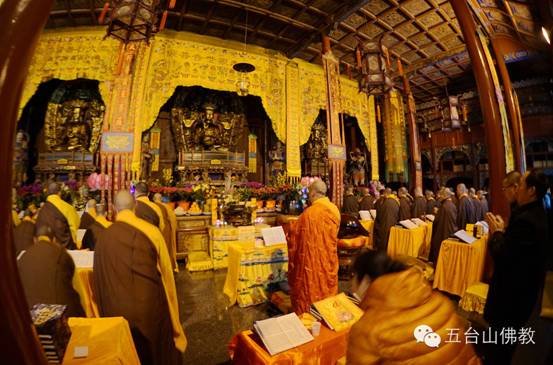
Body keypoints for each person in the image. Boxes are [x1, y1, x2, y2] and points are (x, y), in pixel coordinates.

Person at [94, 191, 186, 365]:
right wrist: (172, 314)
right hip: (149, 310)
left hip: (115, 312)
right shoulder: (151, 231)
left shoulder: (104, 237)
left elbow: (99, 279)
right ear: (135, 207)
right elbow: (166, 274)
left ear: (113, 208)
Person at [347, 251, 480, 365]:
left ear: (366, 281)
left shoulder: (367, 329)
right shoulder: (442, 303)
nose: (351, 285)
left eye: (352, 277)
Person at [484, 169, 549, 365]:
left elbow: (504, 256)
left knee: (501, 346)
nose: (515, 189)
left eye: (520, 185)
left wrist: (496, 234)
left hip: (512, 297)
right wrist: (504, 233)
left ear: (531, 191)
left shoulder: (527, 221)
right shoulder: (533, 213)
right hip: (522, 294)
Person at [287, 180, 340, 314]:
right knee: (327, 284)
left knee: (310, 285)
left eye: (310, 193)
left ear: (313, 193)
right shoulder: (334, 209)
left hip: (311, 261)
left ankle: (309, 312)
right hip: (328, 258)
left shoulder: (309, 214)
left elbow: (295, 234)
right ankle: (327, 312)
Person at [17, 226, 84, 317]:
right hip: (62, 317)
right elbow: (78, 288)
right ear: (54, 240)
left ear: (34, 240)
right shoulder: (62, 254)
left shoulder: (23, 257)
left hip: (28, 316)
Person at [36, 182, 80, 249]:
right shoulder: (68, 207)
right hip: (64, 248)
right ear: (59, 193)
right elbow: (75, 226)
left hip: (44, 248)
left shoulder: (41, 211)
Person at [429, 188, 457, 263]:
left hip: (442, 232)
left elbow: (437, 221)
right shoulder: (452, 204)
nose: (439, 197)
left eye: (440, 195)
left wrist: (436, 214)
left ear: (444, 195)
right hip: (450, 231)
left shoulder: (444, 206)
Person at [153, 193, 178, 271]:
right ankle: (168, 267)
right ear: (161, 199)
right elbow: (173, 219)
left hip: (155, 231)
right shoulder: (166, 207)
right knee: (167, 249)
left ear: (153, 199)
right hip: (166, 230)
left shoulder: (151, 206)